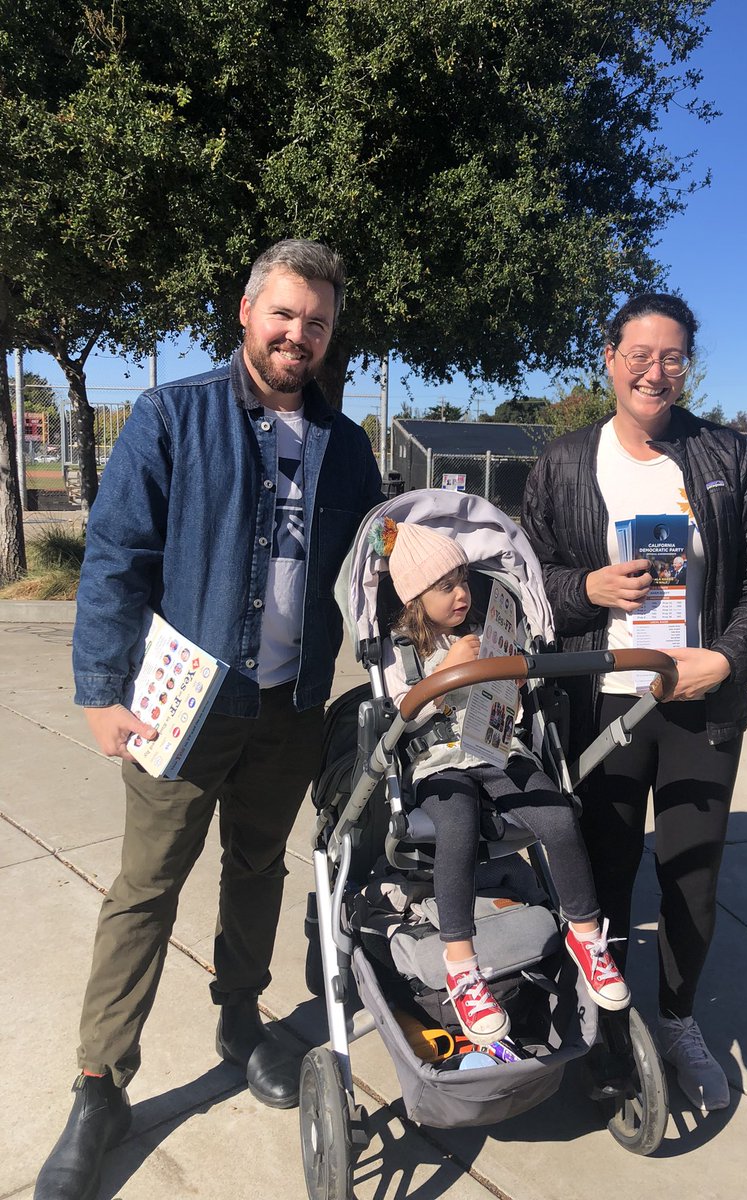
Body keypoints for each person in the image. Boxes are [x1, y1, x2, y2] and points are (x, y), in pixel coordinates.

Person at [36, 239, 384, 1200]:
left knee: (259, 866)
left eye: (316, 323)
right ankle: (100, 1085)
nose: (297, 336)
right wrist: (102, 689)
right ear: (246, 312)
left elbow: (373, 563)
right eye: (283, 315)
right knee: (146, 886)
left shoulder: (345, 446)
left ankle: (241, 1019)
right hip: (182, 707)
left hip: (290, 709)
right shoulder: (173, 415)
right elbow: (116, 556)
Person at [522, 293, 747, 1113]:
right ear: (608, 358)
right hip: (601, 705)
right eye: (639, 353)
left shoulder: (726, 456)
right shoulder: (565, 462)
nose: (656, 370)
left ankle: (677, 1021)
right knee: (599, 877)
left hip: (697, 705)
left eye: (673, 356)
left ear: (688, 367)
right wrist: (587, 588)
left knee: (690, 877)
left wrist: (727, 657)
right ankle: (606, 1028)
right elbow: (525, 585)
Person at [372, 517, 630, 1045]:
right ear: (417, 598)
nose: (463, 594)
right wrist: (445, 678)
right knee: (458, 828)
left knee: (558, 815)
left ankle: (586, 936)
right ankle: (461, 964)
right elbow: (400, 715)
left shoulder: (481, 637)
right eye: (446, 587)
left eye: (465, 581)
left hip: (496, 750)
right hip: (439, 763)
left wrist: (507, 677)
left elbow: (505, 707)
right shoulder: (402, 653)